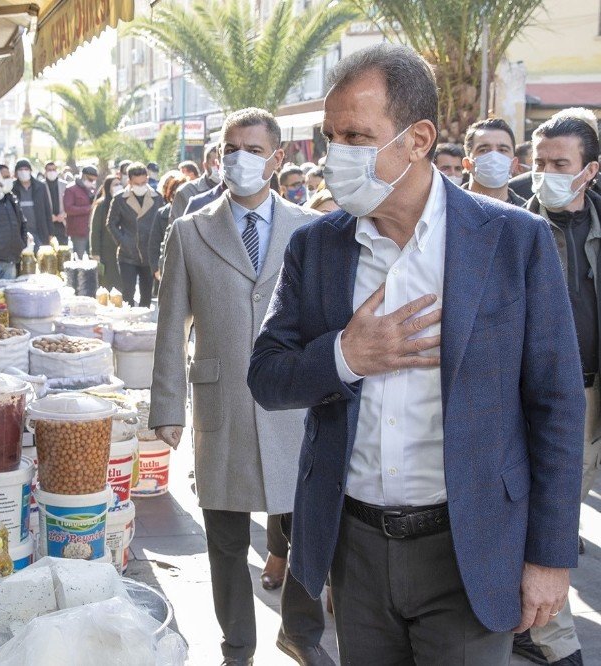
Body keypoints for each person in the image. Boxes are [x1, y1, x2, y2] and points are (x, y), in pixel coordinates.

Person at [247, 43, 584, 665]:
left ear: (419, 138)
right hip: (355, 547)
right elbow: (267, 375)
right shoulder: (317, 247)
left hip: (470, 546)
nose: (334, 155)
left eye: (356, 135)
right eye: (330, 136)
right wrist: (346, 355)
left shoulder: (515, 242)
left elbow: (556, 404)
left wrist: (549, 556)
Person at [151, 108, 329, 666]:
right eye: (231, 148)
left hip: (296, 404)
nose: (239, 159)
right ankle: (237, 647)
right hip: (221, 399)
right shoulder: (190, 230)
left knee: (305, 528)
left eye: (253, 149)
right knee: (225, 537)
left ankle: (301, 633)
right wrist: (166, 408)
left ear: (278, 160)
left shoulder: (312, 228)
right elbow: (170, 324)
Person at [516, 107, 601, 666]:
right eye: (539, 161)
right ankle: (556, 641)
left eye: (559, 163)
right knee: (552, 521)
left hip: (597, 397)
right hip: (543, 405)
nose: (545, 172)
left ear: (589, 171)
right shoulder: (508, 228)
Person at [107, 162, 160, 308]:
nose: (141, 186)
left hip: (149, 255)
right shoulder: (119, 199)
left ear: (147, 179)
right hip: (127, 255)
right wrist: (123, 242)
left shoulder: (157, 198)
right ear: (129, 181)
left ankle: (142, 328)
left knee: (146, 296)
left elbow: (161, 225)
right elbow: (111, 223)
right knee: (128, 294)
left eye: (143, 182)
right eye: (137, 183)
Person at [462, 118, 526, 206]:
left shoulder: (529, 212)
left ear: (513, 164)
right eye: (484, 150)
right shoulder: (446, 207)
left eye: (502, 150)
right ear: (467, 164)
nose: (494, 156)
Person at [147, 169, 189, 281]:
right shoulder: (161, 214)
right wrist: (156, 269)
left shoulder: (194, 211)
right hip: (167, 268)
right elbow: (154, 243)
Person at [171, 144, 221, 221]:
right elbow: (175, 228)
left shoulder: (235, 190)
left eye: (220, 162)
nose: (218, 167)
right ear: (205, 165)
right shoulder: (186, 191)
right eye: (213, 163)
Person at [90, 175, 122, 291]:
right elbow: (95, 230)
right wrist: (95, 252)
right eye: (115, 185)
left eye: (119, 184)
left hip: (121, 248)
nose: (118, 187)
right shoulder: (101, 205)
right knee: (107, 280)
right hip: (106, 250)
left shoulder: (123, 203)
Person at [12, 158, 52, 248]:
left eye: (26, 169)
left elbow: (47, 210)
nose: (23, 172)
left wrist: (50, 232)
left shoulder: (40, 187)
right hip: (20, 234)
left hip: (39, 231)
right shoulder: (12, 188)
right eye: (20, 170)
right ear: (16, 173)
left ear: (30, 171)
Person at [62, 165, 98, 257]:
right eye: (90, 180)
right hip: (78, 231)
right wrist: (88, 208)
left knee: (93, 258)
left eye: (93, 180)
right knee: (79, 259)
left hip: (91, 230)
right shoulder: (71, 189)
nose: (92, 182)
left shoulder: (92, 189)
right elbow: (68, 209)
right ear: (84, 176)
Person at [44, 161, 68, 244]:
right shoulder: (40, 185)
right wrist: (48, 216)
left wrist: (64, 214)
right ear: (45, 171)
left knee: (63, 250)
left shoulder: (64, 185)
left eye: (53, 169)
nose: (51, 172)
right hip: (47, 224)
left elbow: (69, 203)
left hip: (62, 223)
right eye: (49, 170)